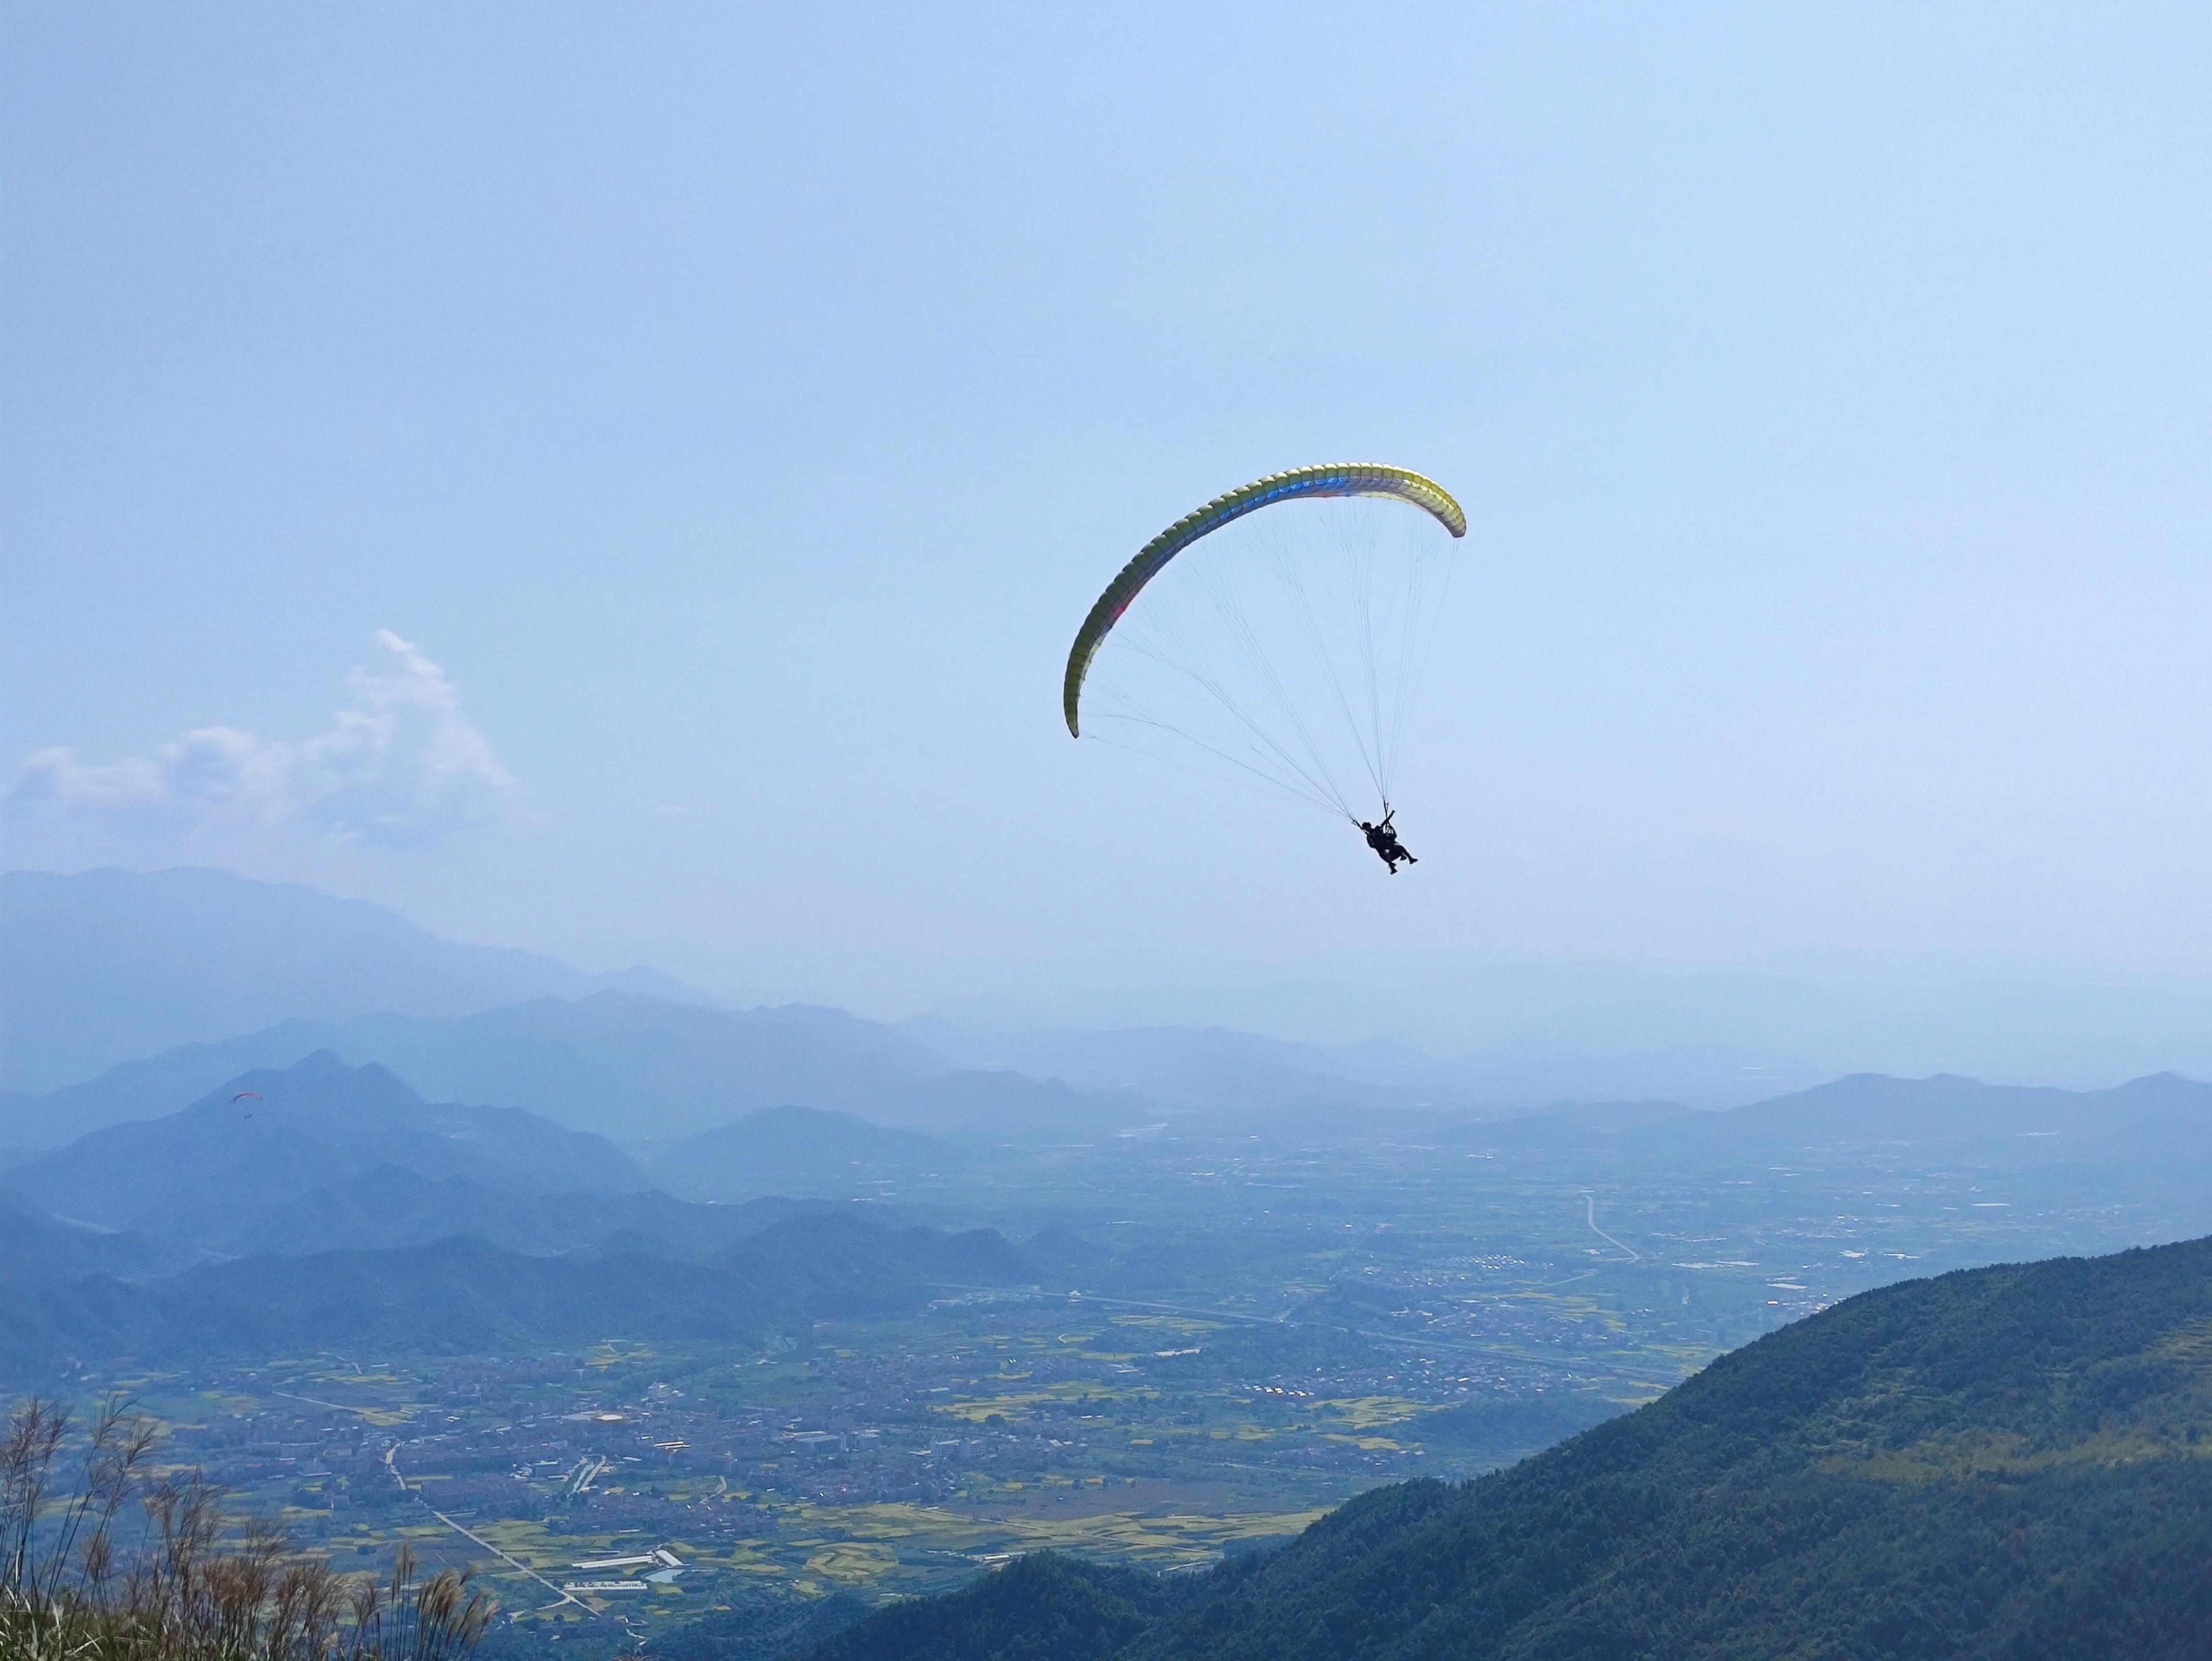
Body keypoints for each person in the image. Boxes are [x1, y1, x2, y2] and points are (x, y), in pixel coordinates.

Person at [1357, 809, 1417, 874]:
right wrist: (1370, 838)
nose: (1367, 828)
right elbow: (1372, 846)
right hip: (1387, 854)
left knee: (1397, 846)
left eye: (1367, 827)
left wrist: (1392, 814)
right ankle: (1392, 867)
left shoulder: (1378, 829)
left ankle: (1410, 858)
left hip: (1394, 850)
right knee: (1386, 851)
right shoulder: (1370, 837)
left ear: (1370, 826)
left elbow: (1385, 822)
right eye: (1366, 828)